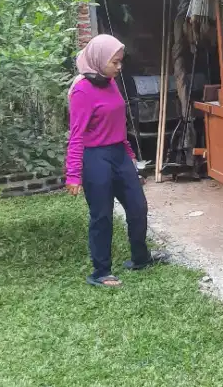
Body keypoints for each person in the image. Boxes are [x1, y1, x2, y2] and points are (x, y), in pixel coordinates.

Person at [66, 34, 166, 287]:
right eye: (116, 62)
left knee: (137, 207)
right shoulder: (82, 90)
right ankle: (100, 272)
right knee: (102, 215)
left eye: (121, 62)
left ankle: (140, 258)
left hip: (119, 154)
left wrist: (130, 158)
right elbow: (76, 135)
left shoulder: (109, 81)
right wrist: (73, 174)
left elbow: (117, 125)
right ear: (99, 60)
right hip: (95, 157)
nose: (119, 67)